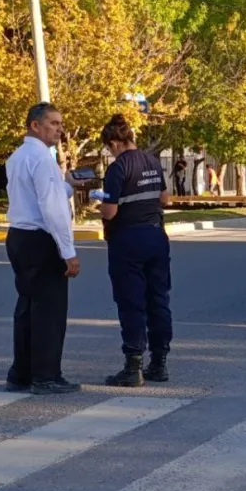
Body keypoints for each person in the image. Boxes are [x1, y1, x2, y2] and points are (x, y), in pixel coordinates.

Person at [4, 103, 82, 394]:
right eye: (53, 123)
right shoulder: (41, 158)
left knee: (27, 306)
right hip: (40, 239)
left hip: (20, 237)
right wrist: (68, 251)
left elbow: (40, 194)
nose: (59, 129)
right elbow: (52, 209)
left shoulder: (18, 157)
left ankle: (21, 373)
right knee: (49, 309)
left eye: (60, 123)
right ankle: (46, 376)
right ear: (35, 125)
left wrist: (68, 185)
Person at [95, 115, 173, 387]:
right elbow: (165, 198)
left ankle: (133, 365)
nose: (109, 151)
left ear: (115, 142)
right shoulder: (151, 161)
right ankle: (160, 362)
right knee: (158, 300)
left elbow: (110, 210)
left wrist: (100, 204)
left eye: (109, 147)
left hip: (128, 239)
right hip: (156, 236)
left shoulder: (118, 168)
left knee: (131, 303)